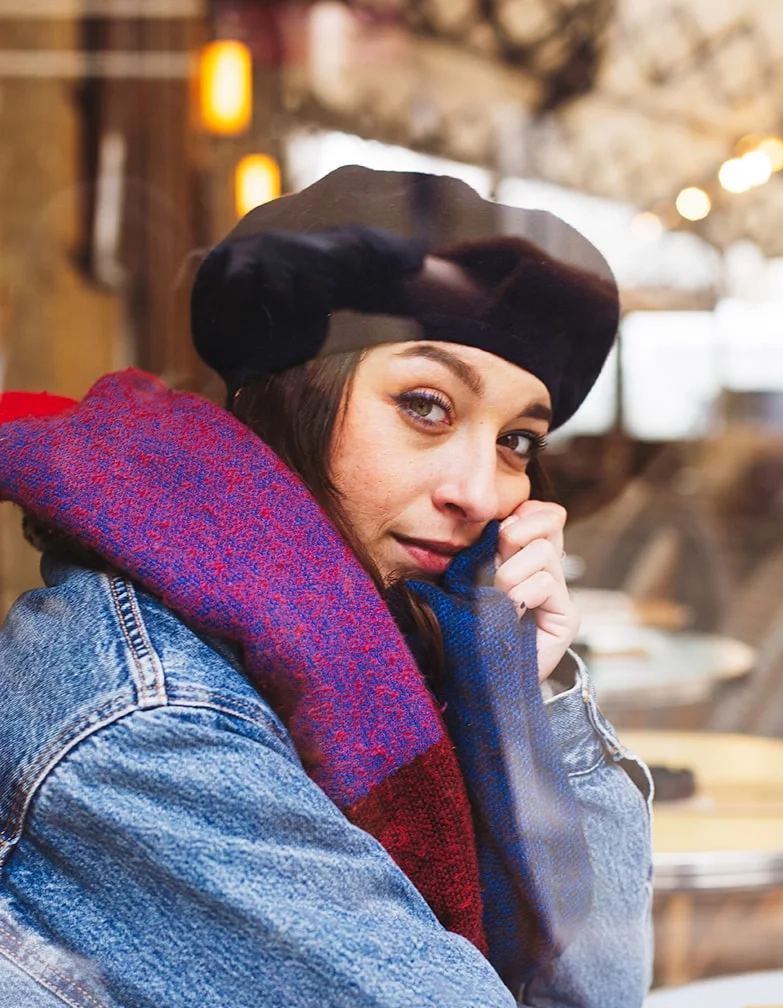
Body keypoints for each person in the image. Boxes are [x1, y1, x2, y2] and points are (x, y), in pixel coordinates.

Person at [0, 167, 653, 1008]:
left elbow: (591, 986)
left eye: (517, 440)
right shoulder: (160, 721)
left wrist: (534, 693)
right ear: (291, 394)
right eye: (427, 404)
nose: (486, 493)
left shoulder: (391, 645)